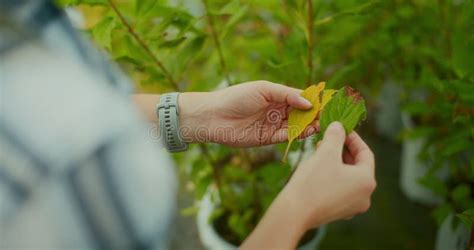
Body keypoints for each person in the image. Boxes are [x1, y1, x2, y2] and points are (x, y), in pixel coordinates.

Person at [0, 0, 376, 249]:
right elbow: (67, 130)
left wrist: (192, 115)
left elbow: (70, 109)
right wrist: (299, 207)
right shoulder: (65, 161)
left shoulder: (27, 18)